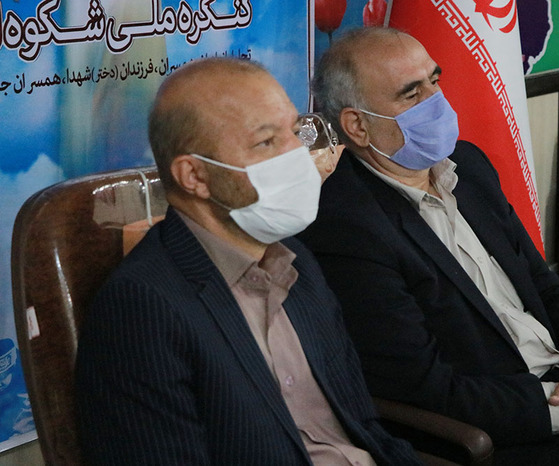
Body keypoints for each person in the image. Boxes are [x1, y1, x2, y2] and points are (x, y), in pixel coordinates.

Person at [298, 27, 559, 465]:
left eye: (435, 80)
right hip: (500, 429)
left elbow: (544, 285)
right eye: (412, 94)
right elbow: (423, 388)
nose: (436, 100)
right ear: (357, 125)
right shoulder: (346, 225)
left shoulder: (468, 167)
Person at [75, 57, 422, 465]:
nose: (297, 154)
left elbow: (364, 426)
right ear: (194, 176)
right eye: (266, 142)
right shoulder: (142, 310)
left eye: (294, 131)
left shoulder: (296, 261)